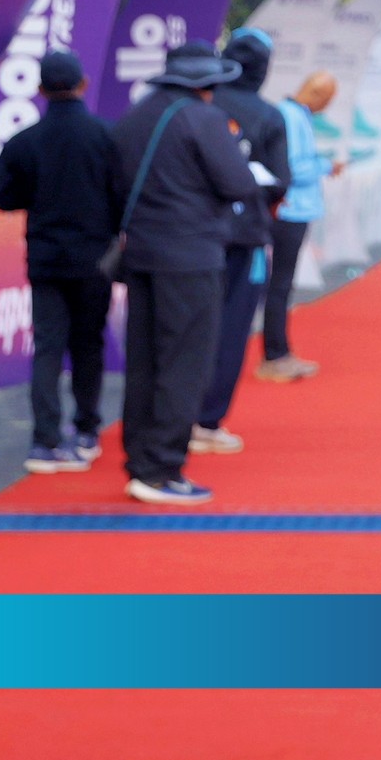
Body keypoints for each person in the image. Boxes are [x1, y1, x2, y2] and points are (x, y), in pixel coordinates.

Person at [111, 40, 261, 505]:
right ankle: (161, 468)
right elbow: (239, 182)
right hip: (192, 256)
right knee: (184, 362)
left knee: (144, 360)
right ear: (208, 82)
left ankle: (141, 460)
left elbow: (113, 180)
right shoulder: (203, 119)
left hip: (141, 252)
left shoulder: (136, 115)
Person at [0, 49, 126, 472]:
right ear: (83, 84)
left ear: (41, 90)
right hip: (94, 259)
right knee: (88, 343)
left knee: (48, 346)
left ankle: (44, 441)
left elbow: (3, 197)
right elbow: (123, 196)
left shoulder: (24, 141)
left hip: (46, 258)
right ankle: (86, 431)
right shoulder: (106, 137)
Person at [194, 25, 291, 454]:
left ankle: (177, 415)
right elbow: (281, 181)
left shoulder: (203, 106)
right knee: (232, 329)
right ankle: (207, 420)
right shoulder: (269, 116)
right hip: (246, 237)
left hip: (199, 234)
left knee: (190, 325)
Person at [257, 71, 339, 384]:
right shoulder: (290, 117)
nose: (326, 107)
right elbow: (293, 168)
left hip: (293, 209)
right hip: (290, 209)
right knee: (280, 283)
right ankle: (274, 354)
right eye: (327, 100)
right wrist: (325, 166)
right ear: (316, 94)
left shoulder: (294, 115)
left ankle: (279, 351)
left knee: (281, 283)